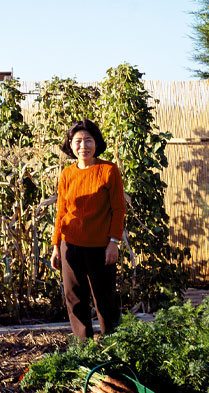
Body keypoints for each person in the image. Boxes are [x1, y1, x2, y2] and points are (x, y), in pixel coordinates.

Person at [50, 119, 126, 340]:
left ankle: (113, 344)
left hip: (100, 247)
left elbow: (118, 209)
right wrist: (56, 245)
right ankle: (83, 346)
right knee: (74, 297)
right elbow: (61, 211)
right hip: (70, 245)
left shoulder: (109, 170)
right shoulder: (67, 173)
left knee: (105, 299)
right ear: (71, 146)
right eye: (78, 141)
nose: (83, 146)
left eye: (88, 140)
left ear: (96, 143)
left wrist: (114, 242)